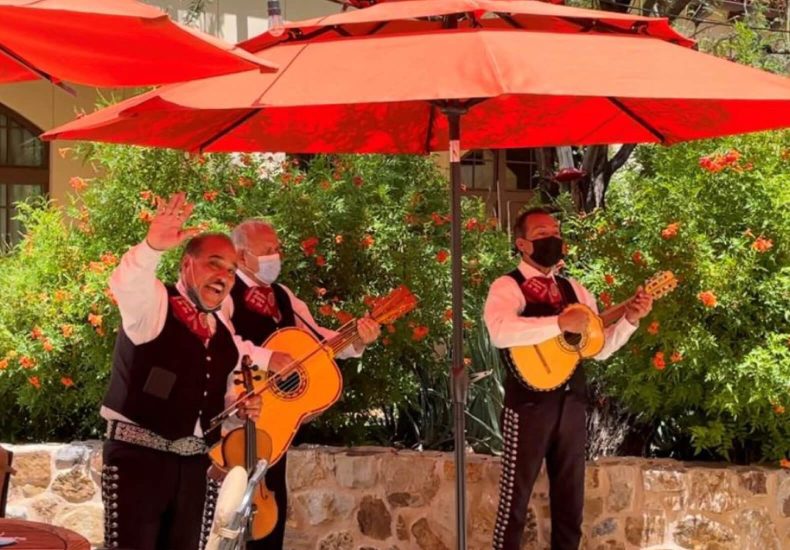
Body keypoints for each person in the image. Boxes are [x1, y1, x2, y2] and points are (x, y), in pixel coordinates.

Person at [100, 193, 264, 550]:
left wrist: (238, 410)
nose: (223, 276)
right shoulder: (154, 305)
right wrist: (152, 247)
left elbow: (220, 403)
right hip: (137, 464)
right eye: (214, 264)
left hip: (194, 469)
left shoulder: (226, 338)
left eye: (232, 271)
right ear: (187, 264)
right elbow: (126, 284)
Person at [485, 207, 653, 550]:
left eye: (556, 232)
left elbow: (598, 348)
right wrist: (558, 324)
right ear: (522, 244)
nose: (553, 238)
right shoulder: (507, 285)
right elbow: (501, 333)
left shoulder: (575, 290)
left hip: (573, 402)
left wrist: (629, 321)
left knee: (570, 502)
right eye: (542, 234)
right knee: (514, 503)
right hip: (528, 405)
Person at [212, 218, 380, 550]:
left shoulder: (283, 295)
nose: (277, 255)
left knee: (269, 520)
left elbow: (318, 341)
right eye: (268, 250)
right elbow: (220, 341)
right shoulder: (226, 292)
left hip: (274, 426)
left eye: (277, 249)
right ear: (242, 255)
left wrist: (357, 340)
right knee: (224, 515)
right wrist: (266, 357)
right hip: (232, 418)